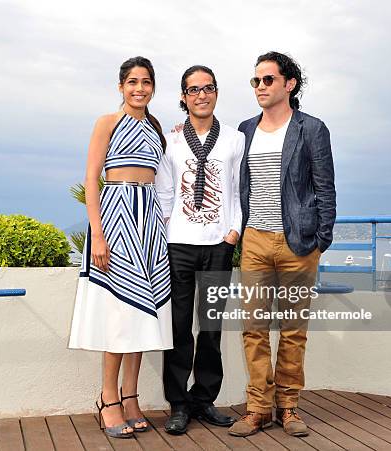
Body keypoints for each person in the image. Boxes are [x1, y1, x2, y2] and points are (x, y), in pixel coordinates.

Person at [228, 51, 336, 438]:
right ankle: (258, 408)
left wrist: (321, 240)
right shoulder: (244, 129)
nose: (260, 87)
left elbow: (325, 187)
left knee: (293, 329)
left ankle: (288, 407)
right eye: (255, 81)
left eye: (267, 80)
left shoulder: (312, 128)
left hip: (299, 243)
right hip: (255, 239)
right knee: (253, 327)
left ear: (289, 84)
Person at [68, 56, 173, 439]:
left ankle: (131, 397)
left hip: (149, 220)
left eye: (146, 82)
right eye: (132, 81)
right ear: (120, 86)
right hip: (115, 215)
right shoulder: (107, 123)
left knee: (143, 312)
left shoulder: (157, 127)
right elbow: (91, 180)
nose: (139, 88)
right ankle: (108, 399)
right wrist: (97, 233)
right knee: (119, 310)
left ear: (153, 87)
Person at [156, 65, 244, 435]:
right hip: (180, 244)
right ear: (183, 97)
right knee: (178, 327)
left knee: (210, 328)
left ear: (217, 92)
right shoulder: (172, 140)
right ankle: (178, 404)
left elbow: (239, 189)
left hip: (219, 246)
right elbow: (164, 192)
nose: (201, 95)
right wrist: (164, 236)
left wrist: (234, 231)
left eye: (208, 88)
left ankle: (204, 399)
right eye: (193, 90)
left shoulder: (235, 139)